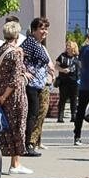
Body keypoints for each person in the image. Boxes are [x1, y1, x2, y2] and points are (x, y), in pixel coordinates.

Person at [0, 19, 31, 173]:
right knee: (17, 126)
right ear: (17, 35)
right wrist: (4, 97)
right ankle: (15, 163)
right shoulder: (16, 53)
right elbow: (15, 79)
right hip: (14, 96)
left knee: (1, 128)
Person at [22, 17, 52, 154]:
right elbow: (20, 57)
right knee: (32, 114)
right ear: (34, 30)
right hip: (32, 84)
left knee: (36, 114)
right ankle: (28, 144)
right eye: (41, 28)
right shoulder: (30, 42)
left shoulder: (38, 44)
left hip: (39, 84)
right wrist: (25, 72)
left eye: (46, 28)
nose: (44, 31)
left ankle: (31, 143)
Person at [53, 36, 80, 122]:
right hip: (64, 81)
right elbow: (56, 66)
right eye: (67, 46)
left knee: (74, 98)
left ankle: (73, 116)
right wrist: (62, 70)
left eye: (69, 46)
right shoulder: (62, 56)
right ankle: (60, 116)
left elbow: (80, 69)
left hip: (74, 81)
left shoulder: (77, 58)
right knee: (62, 98)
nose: (67, 48)